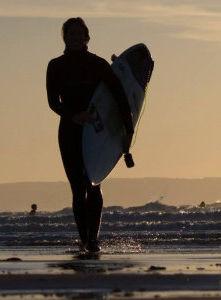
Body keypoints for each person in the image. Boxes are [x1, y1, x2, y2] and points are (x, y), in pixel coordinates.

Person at [46, 17, 134, 253]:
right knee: (77, 187)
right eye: (70, 33)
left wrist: (129, 130)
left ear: (87, 37)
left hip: (97, 130)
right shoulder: (55, 66)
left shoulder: (98, 64)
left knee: (93, 182)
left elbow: (120, 98)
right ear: (65, 37)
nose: (75, 37)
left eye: (79, 33)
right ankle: (84, 239)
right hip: (70, 130)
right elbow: (53, 102)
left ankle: (93, 240)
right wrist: (74, 116)